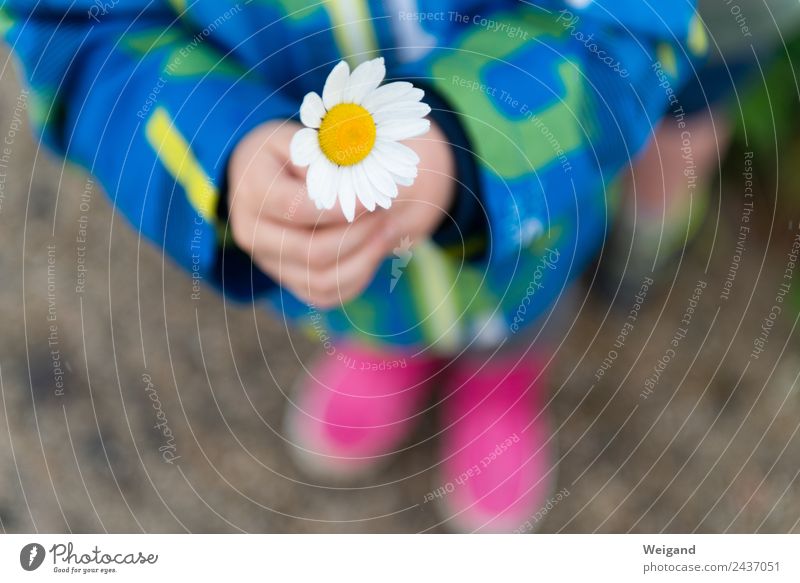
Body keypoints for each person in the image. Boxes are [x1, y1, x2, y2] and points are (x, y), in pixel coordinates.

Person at [2, 0, 705, 532]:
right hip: (330, 242)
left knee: (518, 318)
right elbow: (76, 34)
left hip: (527, 217)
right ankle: (383, 350)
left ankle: (501, 381)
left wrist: (473, 135)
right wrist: (220, 145)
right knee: (358, 286)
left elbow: (634, 22)